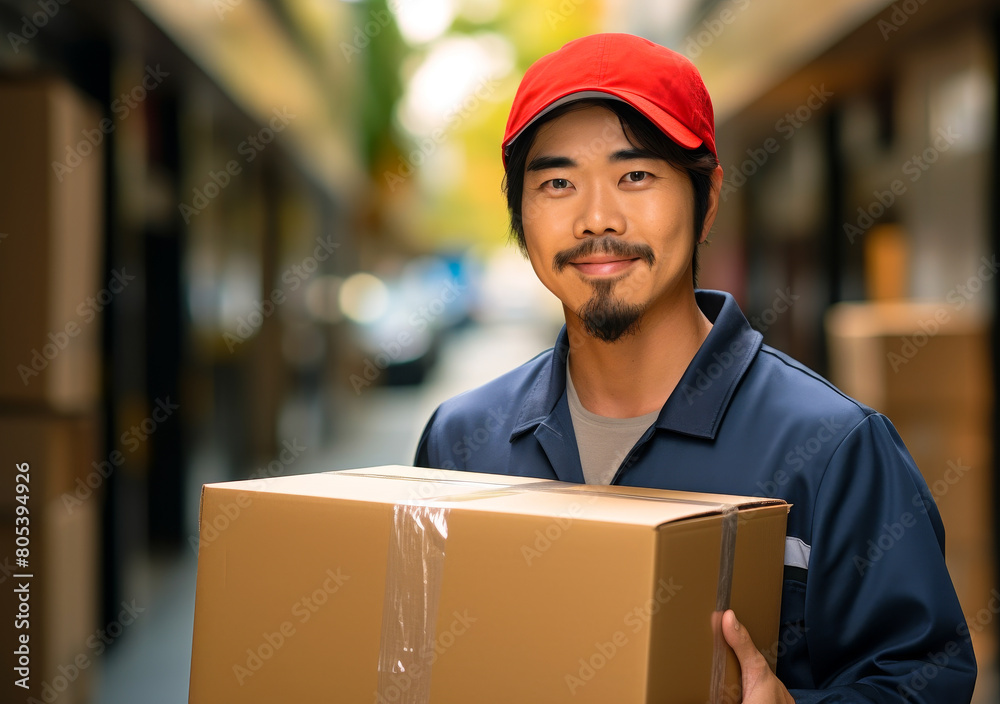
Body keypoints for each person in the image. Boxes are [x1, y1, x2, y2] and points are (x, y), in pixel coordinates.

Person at [414, 33, 976, 702]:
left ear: (707, 198)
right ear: (522, 217)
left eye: (636, 176)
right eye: (558, 183)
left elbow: (924, 677)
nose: (597, 218)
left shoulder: (832, 449)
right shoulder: (460, 442)